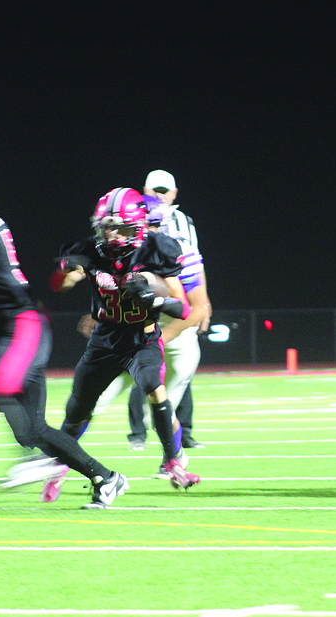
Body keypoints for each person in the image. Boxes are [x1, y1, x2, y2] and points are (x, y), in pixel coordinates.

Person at [0, 163, 128, 509]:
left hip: (22, 327)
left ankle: (37, 461)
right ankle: (106, 478)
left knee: (1, 387)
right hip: (17, 327)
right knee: (32, 430)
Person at [37, 187, 201, 502]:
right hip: (105, 340)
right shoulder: (92, 250)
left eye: (118, 226)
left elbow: (182, 308)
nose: (110, 233)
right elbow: (61, 282)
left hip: (143, 336)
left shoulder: (156, 249)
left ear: (137, 225)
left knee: (154, 385)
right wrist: (67, 273)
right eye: (106, 226)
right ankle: (59, 468)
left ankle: (173, 461)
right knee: (77, 410)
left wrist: (154, 295)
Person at [140, 169, 211, 449]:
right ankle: (139, 435)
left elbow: (194, 264)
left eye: (163, 189)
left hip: (171, 306)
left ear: (174, 194)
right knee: (141, 376)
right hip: (143, 309)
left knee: (177, 374)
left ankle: (178, 444)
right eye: (153, 189)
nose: (158, 194)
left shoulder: (182, 221)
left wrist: (202, 303)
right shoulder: (133, 214)